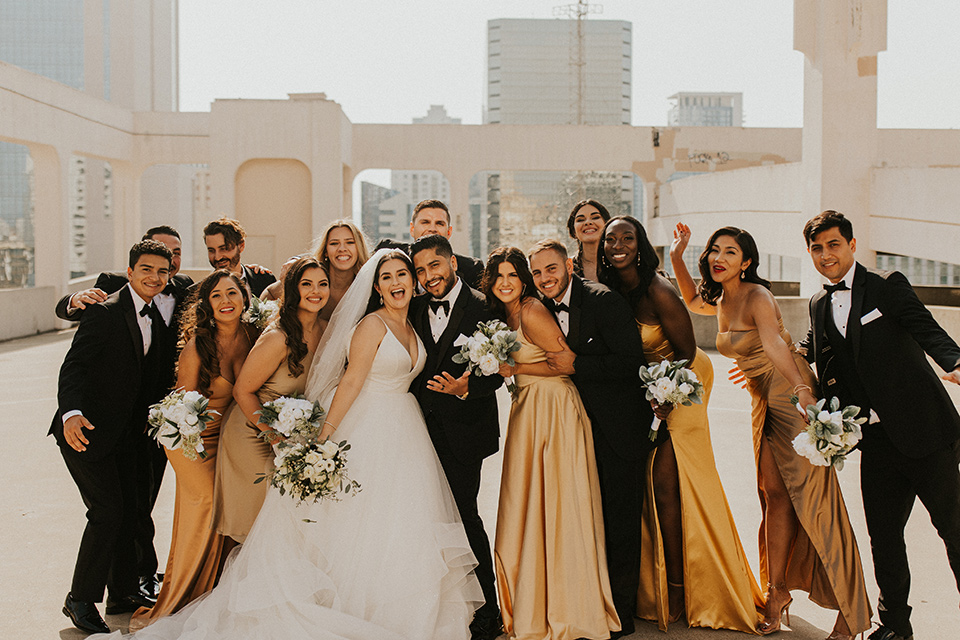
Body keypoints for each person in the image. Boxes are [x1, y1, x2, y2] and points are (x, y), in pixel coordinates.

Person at [93, 248, 483, 640]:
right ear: (376, 286)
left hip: (404, 432)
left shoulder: (407, 324)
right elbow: (349, 382)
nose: (396, 282)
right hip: (363, 426)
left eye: (402, 274)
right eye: (386, 277)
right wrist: (324, 435)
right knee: (343, 524)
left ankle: (398, 605)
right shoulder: (369, 326)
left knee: (394, 524)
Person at [671, 223, 872, 640]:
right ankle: (777, 591)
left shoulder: (757, 295)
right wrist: (677, 253)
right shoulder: (722, 296)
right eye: (714, 251)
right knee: (773, 497)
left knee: (815, 501)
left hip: (790, 395)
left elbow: (777, 346)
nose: (719, 257)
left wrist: (802, 390)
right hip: (764, 398)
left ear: (746, 262)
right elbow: (691, 299)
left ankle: (851, 609)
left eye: (730, 252)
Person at [799, 210, 960, 640]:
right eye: (817, 248)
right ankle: (895, 628)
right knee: (885, 540)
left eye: (834, 244)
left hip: (926, 433)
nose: (826, 254)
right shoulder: (818, 303)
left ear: (852, 245)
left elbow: (926, 328)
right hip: (876, 440)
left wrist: (955, 361)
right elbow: (815, 347)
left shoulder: (887, 285)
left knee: (955, 531)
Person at [596, 218, 763, 632]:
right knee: (649, 484)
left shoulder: (658, 290)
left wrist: (664, 396)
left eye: (627, 238)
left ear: (640, 245)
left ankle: (680, 588)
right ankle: (652, 585)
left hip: (682, 383)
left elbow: (687, 352)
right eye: (610, 240)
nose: (618, 245)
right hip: (647, 390)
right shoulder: (610, 290)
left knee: (670, 485)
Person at [484, 246, 619, 640]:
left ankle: (567, 606)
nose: (506, 283)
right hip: (527, 407)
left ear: (523, 279)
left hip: (554, 406)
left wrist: (515, 368)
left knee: (559, 504)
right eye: (499, 276)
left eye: (513, 275)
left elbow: (566, 360)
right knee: (525, 503)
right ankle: (530, 600)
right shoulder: (503, 315)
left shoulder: (531, 310)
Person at [54, 225, 193, 603]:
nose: (156, 277)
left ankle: (123, 592)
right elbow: (74, 367)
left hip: (134, 433)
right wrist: (71, 413)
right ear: (130, 272)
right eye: (146, 269)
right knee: (107, 513)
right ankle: (80, 600)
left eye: (163, 271)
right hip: (87, 429)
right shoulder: (105, 309)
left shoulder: (175, 296)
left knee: (133, 512)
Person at [528, 238, 657, 639]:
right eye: (537, 272)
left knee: (619, 523)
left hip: (616, 429)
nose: (545, 278)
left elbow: (631, 363)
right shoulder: (538, 309)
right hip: (571, 432)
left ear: (568, 265)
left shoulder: (603, 300)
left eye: (551, 269)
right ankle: (587, 602)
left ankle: (621, 614)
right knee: (585, 521)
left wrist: (577, 364)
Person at [129, 270, 258, 629]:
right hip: (190, 439)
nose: (226, 301)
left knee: (234, 504)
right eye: (217, 296)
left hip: (233, 440)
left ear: (245, 298)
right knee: (205, 505)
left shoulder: (255, 336)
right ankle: (183, 597)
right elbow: (180, 409)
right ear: (207, 306)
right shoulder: (197, 347)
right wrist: (192, 446)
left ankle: (221, 590)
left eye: (232, 293)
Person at [408, 234, 503, 640]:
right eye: (421, 271)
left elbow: (500, 367)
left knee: (465, 517)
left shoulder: (485, 307)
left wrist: (468, 386)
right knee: (424, 519)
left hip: (465, 432)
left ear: (451, 262)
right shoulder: (410, 307)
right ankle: (440, 601)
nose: (429, 277)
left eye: (435, 266)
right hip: (415, 432)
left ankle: (489, 610)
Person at [212, 256, 328, 543]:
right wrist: (276, 438)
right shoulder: (279, 336)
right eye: (307, 284)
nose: (316, 291)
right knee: (261, 527)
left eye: (322, 284)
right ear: (293, 289)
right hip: (252, 431)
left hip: (289, 433)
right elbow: (242, 391)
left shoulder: (325, 329)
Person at [375, 199, 484, 289]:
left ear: (449, 232)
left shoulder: (472, 269)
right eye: (425, 222)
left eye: (439, 223)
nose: (432, 229)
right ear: (412, 229)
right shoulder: (386, 251)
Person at [203, 217, 276, 297]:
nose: (217, 257)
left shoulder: (265, 280)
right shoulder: (200, 291)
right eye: (211, 250)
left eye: (224, 249)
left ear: (241, 246)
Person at [313, 219, 370, 321]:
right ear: (325, 251)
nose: (342, 249)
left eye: (350, 242)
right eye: (334, 243)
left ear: (359, 248)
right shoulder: (310, 283)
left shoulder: (369, 288)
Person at [567, 199, 612, 281]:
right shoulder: (567, 268)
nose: (588, 222)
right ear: (573, 231)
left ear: (607, 224)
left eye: (595, 217)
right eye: (580, 220)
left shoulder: (618, 263)